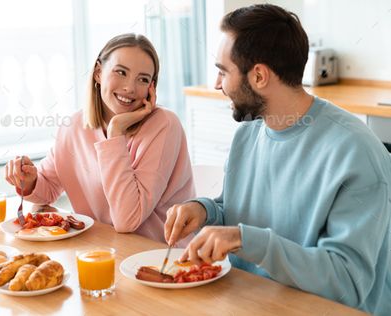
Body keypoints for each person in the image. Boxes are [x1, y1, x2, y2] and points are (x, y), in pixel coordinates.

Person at [164, 4, 391, 315]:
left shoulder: (354, 153)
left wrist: (249, 240)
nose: (218, 84)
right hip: (252, 301)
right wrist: (205, 211)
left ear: (259, 76)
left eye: (223, 71)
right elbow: (244, 216)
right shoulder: (250, 133)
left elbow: (347, 284)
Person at [5, 33, 195, 243]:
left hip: (160, 259)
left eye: (142, 79)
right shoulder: (75, 126)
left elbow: (127, 220)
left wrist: (115, 133)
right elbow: (48, 189)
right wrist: (30, 181)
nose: (130, 88)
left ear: (152, 88)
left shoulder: (164, 125)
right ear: (98, 72)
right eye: (121, 72)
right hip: (101, 250)